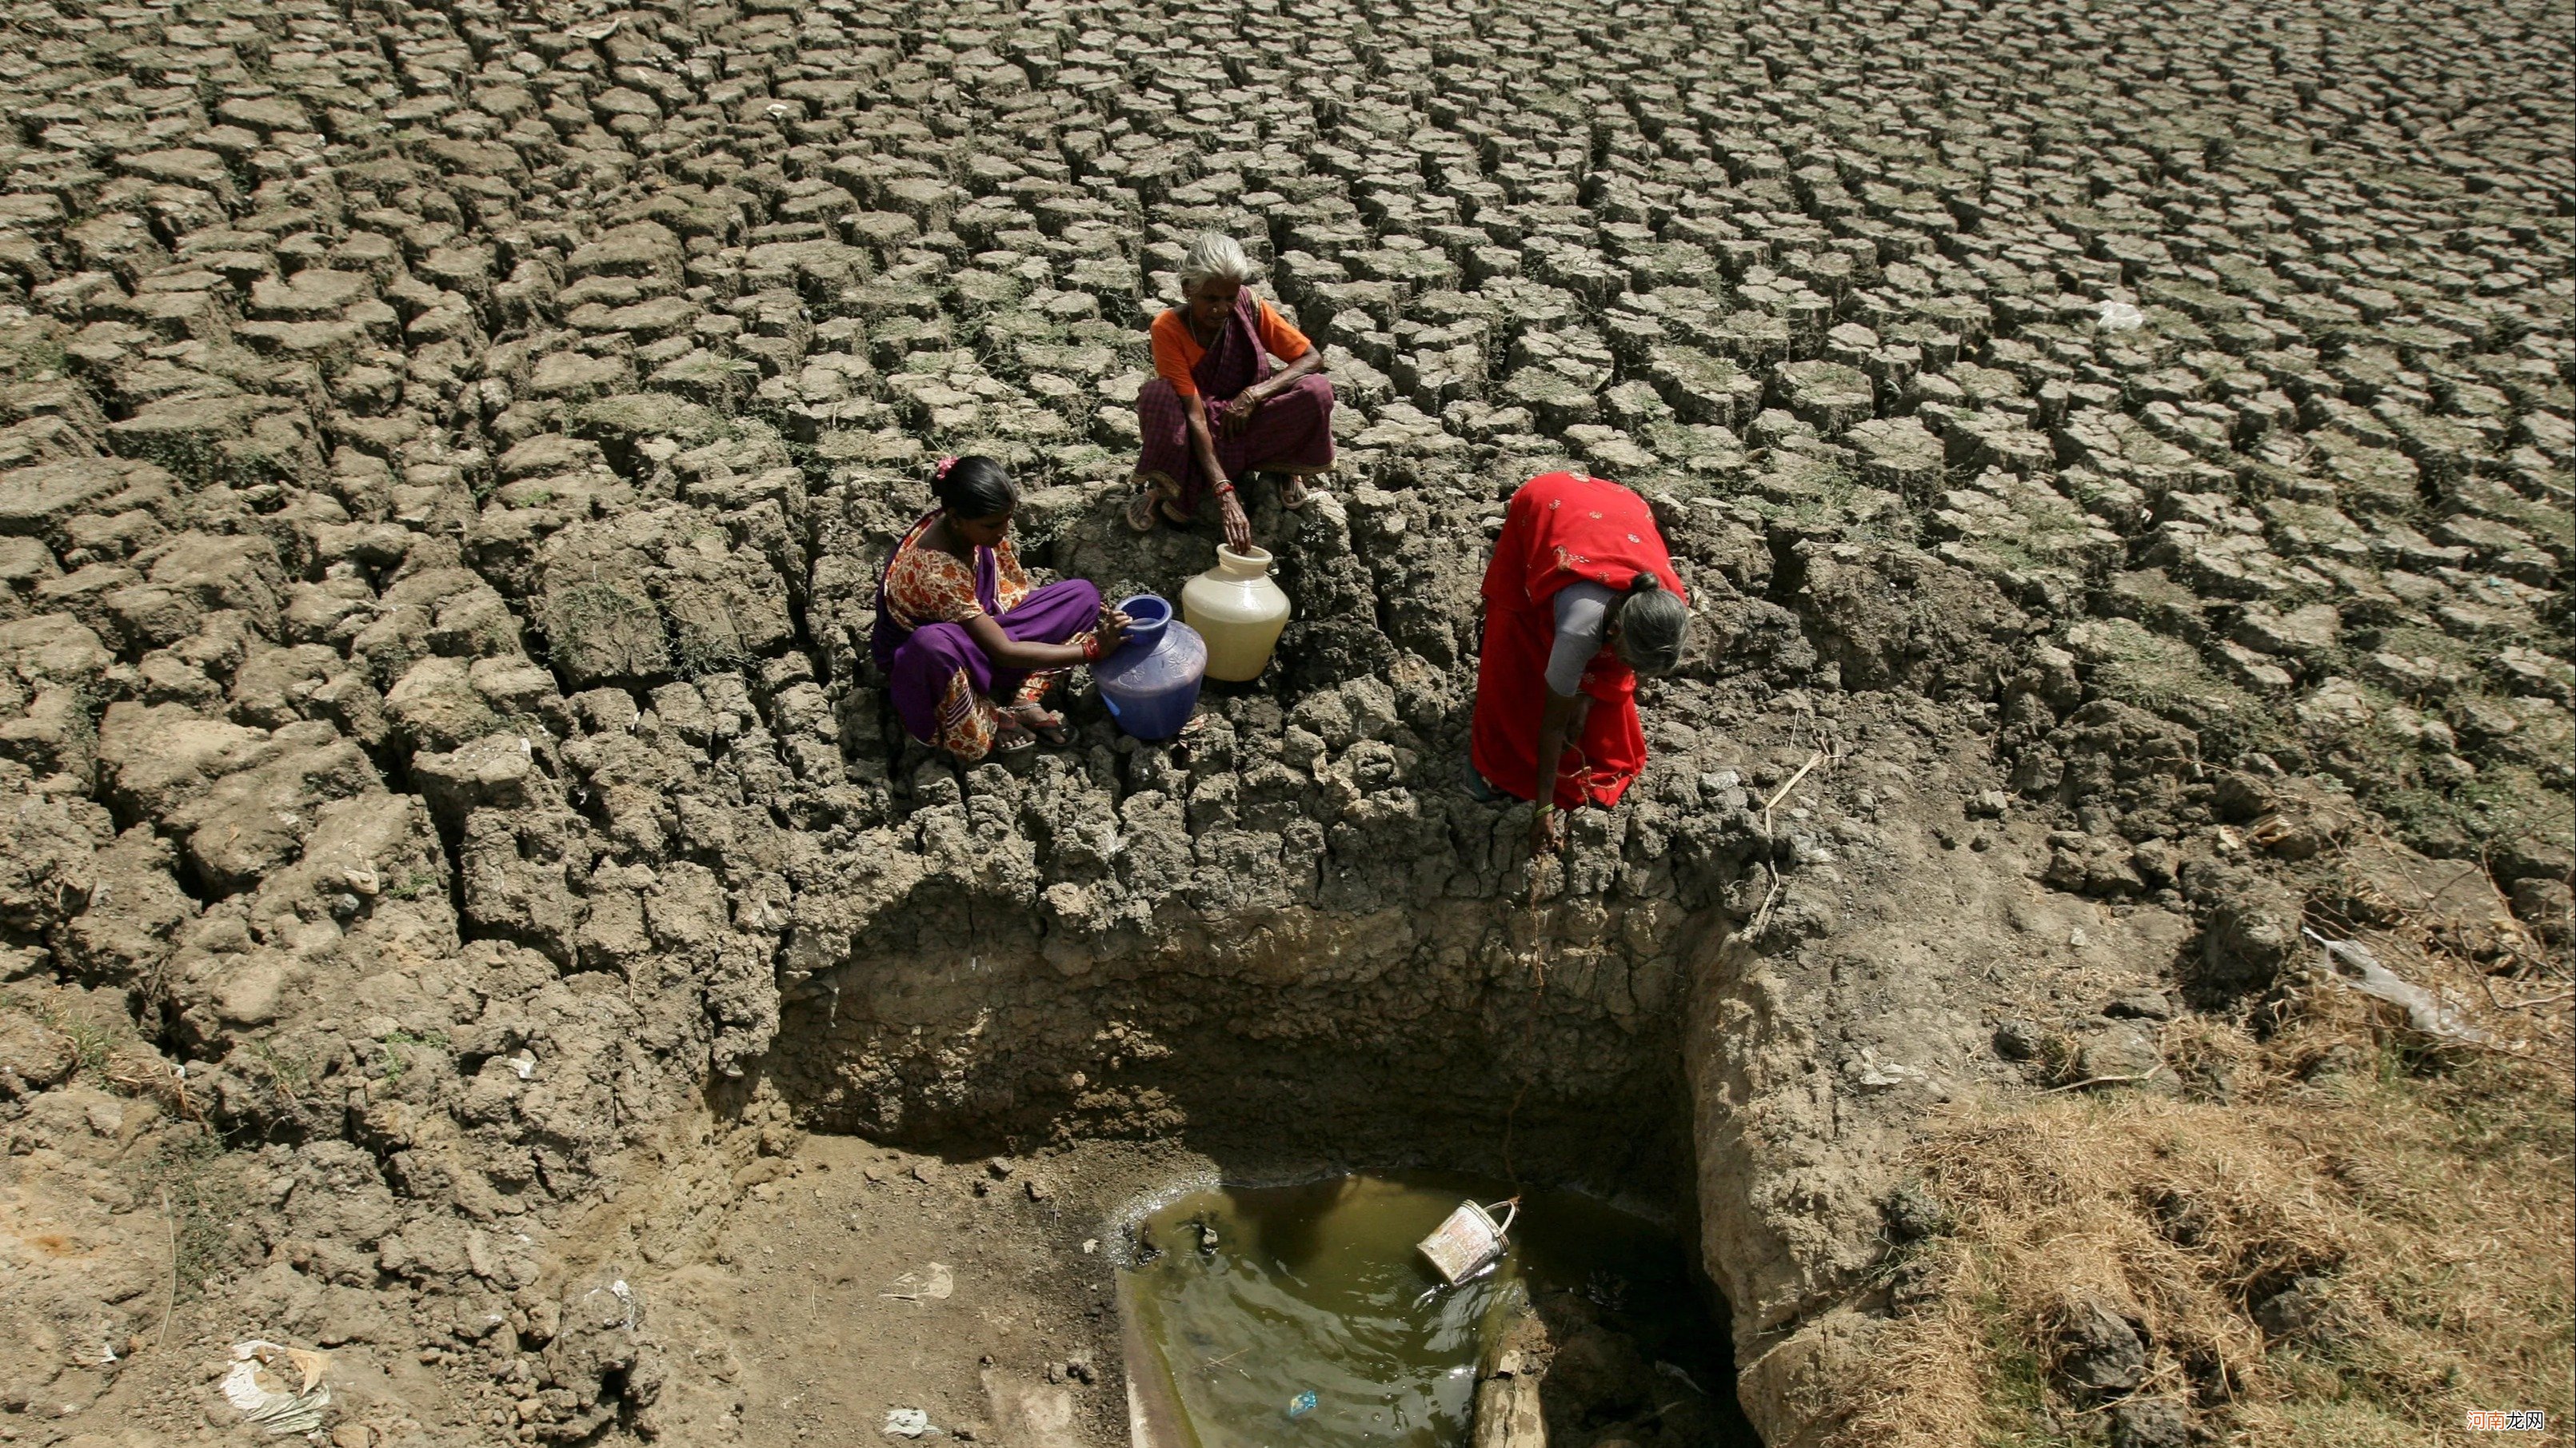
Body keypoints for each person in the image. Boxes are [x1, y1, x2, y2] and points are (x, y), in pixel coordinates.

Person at [1468, 471, 1692, 850]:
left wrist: (1586, 698)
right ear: (1616, 632)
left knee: (1586, 699)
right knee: (1515, 659)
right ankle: (1488, 763)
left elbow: (1616, 666)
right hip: (1545, 504)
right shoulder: (1579, 628)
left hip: (1619, 510)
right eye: (1628, 659)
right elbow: (1552, 727)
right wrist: (1543, 809)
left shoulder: (1665, 603)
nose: (1630, 669)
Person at [873, 455, 1127, 764]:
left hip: (980, 628)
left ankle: (1023, 699)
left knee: (1082, 596)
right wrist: (1092, 650)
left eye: (1008, 519)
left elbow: (1002, 602)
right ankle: (987, 716)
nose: (1004, 531)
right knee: (933, 646)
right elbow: (1003, 650)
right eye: (993, 524)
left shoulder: (968, 528)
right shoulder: (935, 571)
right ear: (954, 517)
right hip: (939, 661)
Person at [1126, 233, 1336, 551]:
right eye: (1211, 299)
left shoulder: (1249, 305)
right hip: (1207, 426)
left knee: (1315, 391)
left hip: (1248, 418)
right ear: (1188, 290)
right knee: (1157, 396)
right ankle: (1167, 487)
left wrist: (1255, 394)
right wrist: (1224, 493)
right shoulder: (1168, 328)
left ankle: (1285, 468)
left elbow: (1311, 358)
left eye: (1229, 297)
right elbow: (1195, 414)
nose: (1222, 308)